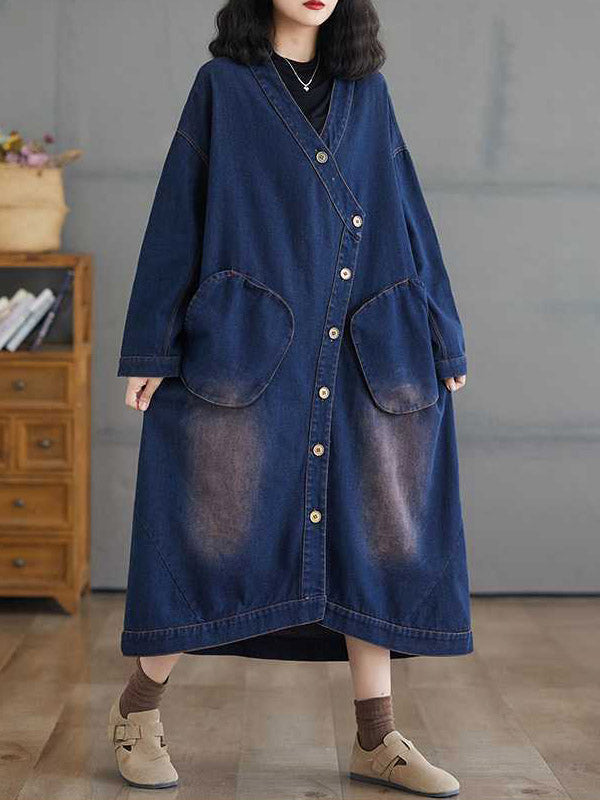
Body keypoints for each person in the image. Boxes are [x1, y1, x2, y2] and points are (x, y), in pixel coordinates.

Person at [108, 0, 470, 796]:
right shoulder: (222, 87)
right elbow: (178, 211)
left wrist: (443, 332)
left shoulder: (368, 92)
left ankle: (377, 738)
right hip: (253, 344)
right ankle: (137, 711)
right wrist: (152, 345)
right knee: (210, 529)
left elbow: (408, 210)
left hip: (362, 340)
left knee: (372, 535)